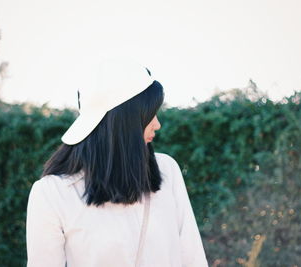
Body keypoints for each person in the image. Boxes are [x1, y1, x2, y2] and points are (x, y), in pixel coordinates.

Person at [26, 60, 208, 267]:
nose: (157, 124)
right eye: (150, 114)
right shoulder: (52, 193)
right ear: (124, 120)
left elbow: (193, 258)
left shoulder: (168, 170)